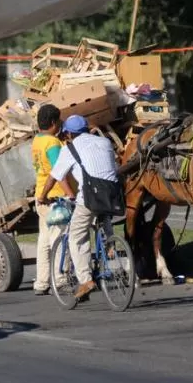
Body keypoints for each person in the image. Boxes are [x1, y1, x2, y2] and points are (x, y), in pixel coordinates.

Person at [44, 114, 120, 300]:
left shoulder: (69, 148)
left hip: (90, 196)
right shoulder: (105, 142)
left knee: (77, 235)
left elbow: (55, 176)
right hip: (113, 194)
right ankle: (110, 243)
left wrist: (42, 196)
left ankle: (86, 279)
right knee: (102, 215)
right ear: (87, 128)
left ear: (69, 133)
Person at [31, 104, 65, 296]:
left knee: (43, 240)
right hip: (55, 197)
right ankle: (58, 280)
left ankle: (42, 282)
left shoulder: (37, 140)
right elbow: (58, 171)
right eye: (59, 120)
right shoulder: (52, 143)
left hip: (41, 197)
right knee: (58, 238)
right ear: (53, 122)